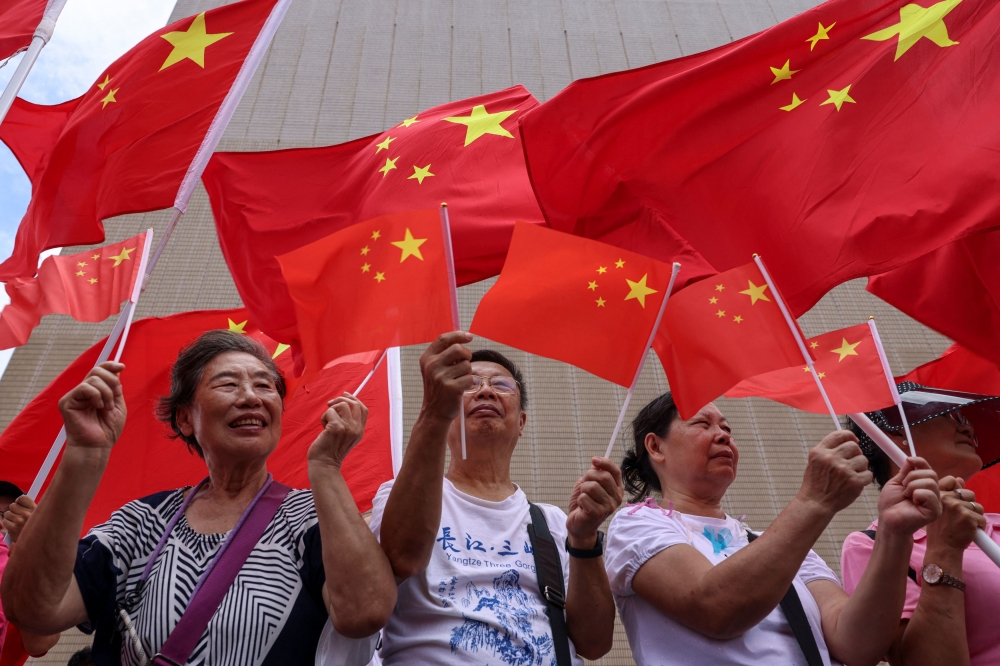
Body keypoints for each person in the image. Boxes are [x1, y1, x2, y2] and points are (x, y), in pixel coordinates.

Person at [0, 331, 397, 666]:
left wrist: (326, 467)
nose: (251, 397)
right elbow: (34, 610)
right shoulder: (140, 521)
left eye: (264, 385)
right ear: (186, 418)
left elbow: (366, 613)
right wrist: (84, 454)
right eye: (228, 384)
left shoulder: (315, 516)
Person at [605, 393, 945, 666]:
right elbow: (715, 608)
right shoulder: (637, 525)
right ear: (655, 446)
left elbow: (857, 646)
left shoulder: (776, 544)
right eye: (702, 424)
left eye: (727, 428)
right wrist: (813, 502)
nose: (723, 434)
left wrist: (894, 533)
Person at [373, 332, 623, 665]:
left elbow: (594, 644)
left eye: (502, 386)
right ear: (447, 416)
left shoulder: (551, 523)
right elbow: (399, 560)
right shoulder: (400, 494)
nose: (486, 391)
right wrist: (433, 411)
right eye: (470, 384)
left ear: (521, 423)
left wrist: (584, 538)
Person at [842, 382, 1000, 665]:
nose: (968, 429)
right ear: (896, 433)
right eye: (950, 417)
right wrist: (945, 551)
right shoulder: (876, 545)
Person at [0, 482, 60, 658]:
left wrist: (31, 545)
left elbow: (39, 643)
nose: (2, 523)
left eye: (11, 515)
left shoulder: (35, 575)